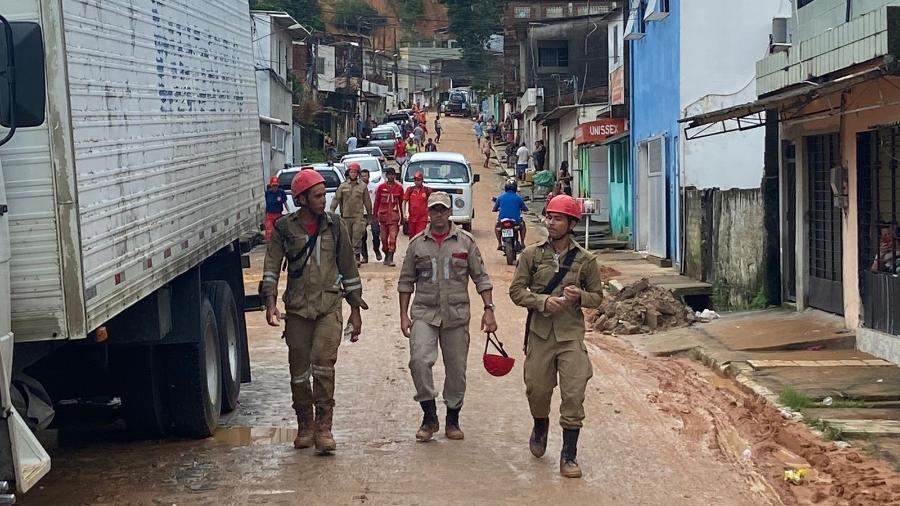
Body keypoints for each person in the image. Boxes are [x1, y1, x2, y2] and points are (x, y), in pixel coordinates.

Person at [262, 170, 368, 455]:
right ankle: (304, 425)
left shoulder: (335, 226)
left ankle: (324, 428)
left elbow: (349, 270)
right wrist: (270, 302)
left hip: (328, 307)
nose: (324, 200)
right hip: (296, 310)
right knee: (298, 372)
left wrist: (356, 311)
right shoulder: (284, 229)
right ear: (302, 199)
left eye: (324, 195)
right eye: (318, 196)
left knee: (323, 365)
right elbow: (271, 267)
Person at [509, 194, 603, 479]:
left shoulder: (586, 260)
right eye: (549, 217)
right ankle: (540, 425)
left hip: (571, 336)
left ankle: (569, 455)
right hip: (540, 335)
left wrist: (580, 296)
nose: (551, 222)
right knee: (536, 390)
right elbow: (516, 291)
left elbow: (597, 298)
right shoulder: (531, 255)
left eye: (558, 218)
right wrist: (541, 302)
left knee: (574, 394)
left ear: (571, 223)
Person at [398, 192, 496, 442]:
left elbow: (481, 277)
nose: (438, 214)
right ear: (428, 213)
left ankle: (453, 418)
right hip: (424, 313)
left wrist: (489, 310)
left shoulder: (465, 242)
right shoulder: (417, 244)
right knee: (419, 361)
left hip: (456, 315)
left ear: (449, 211)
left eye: (442, 210)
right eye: (434, 210)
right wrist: (403, 315)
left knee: (456, 370)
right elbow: (406, 281)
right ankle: (429, 416)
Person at [330, 162, 373, 265]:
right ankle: (349, 258)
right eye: (351, 172)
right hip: (346, 216)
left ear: (357, 173)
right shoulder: (343, 186)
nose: (353, 174)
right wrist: (332, 211)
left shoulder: (362, 186)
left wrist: (370, 216)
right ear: (348, 173)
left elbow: (367, 202)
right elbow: (336, 199)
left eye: (354, 172)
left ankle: (357, 257)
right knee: (347, 238)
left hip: (358, 216)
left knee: (357, 237)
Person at [373, 166, 405, 266]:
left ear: (395, 176)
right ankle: (386, 254)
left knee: (393, 238)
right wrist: (374, 216)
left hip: (394, 217)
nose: (390, 177)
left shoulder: (399, 188)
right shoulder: (381, 187)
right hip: (383, 217)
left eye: (392, 175)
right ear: (386, 176)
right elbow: (377, 202)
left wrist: (403, 216)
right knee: (383, 238)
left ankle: (391, 257)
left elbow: (401, 203)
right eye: (389, 175)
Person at [493, 178, 528, 250]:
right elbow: (525, 208)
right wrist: (524, 209)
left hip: (502, 220)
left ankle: (499, 243)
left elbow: (494, 208)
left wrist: (496, 209)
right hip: (515, 221)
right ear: (515, 188)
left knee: (496, 226)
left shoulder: (500, 197)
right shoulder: (518, 198)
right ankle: (522, 242)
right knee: (523, 225)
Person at [359, 168, 382, 263]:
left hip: (373, 214)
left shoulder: (375, 187)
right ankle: (364, 256)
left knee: (376, 233)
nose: (364, 178)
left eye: (366, 176)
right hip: (362, 214)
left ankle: (376, 249)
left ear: (369, 176)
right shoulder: (358, 188)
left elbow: (378, 200)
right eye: (362, 176)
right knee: (362, 235)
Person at [404, 171, 432, 237]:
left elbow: (432, 202)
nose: (417, 182)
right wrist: (404, 213)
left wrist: (430, 214)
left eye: (418, 180)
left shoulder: (427, 190)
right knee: (411, 236)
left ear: (422, 180)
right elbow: (404, 201)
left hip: (422, 219)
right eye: (415, 180)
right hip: (412, 218)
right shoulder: (410, 190)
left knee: (419, 236)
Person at [264, 176, 288, 241]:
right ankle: (269, 245)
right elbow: (266, 204)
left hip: (278, 215)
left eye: (276, 185)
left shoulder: (281, 192)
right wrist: (265, 216)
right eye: (273, 185)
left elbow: (285, 203)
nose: (275, 187)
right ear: (271, 185)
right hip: (270, 215)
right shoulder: (267, 193)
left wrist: (288, 211)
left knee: (279, 231)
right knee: (269, 232)